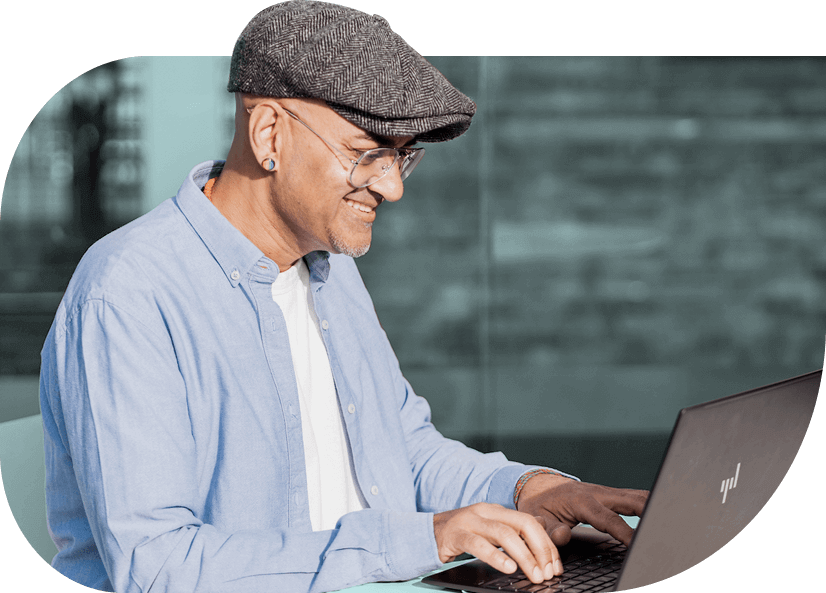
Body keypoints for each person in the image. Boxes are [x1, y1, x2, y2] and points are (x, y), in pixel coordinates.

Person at [39, 2, 648, 591]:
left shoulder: (328, 268)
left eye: (402, 158)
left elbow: (401, 451)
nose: (391, 187)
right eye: (366, 153)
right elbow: (156, 566)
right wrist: (423, 541)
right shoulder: (128, 293)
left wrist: (527, 490)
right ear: (268, 131)